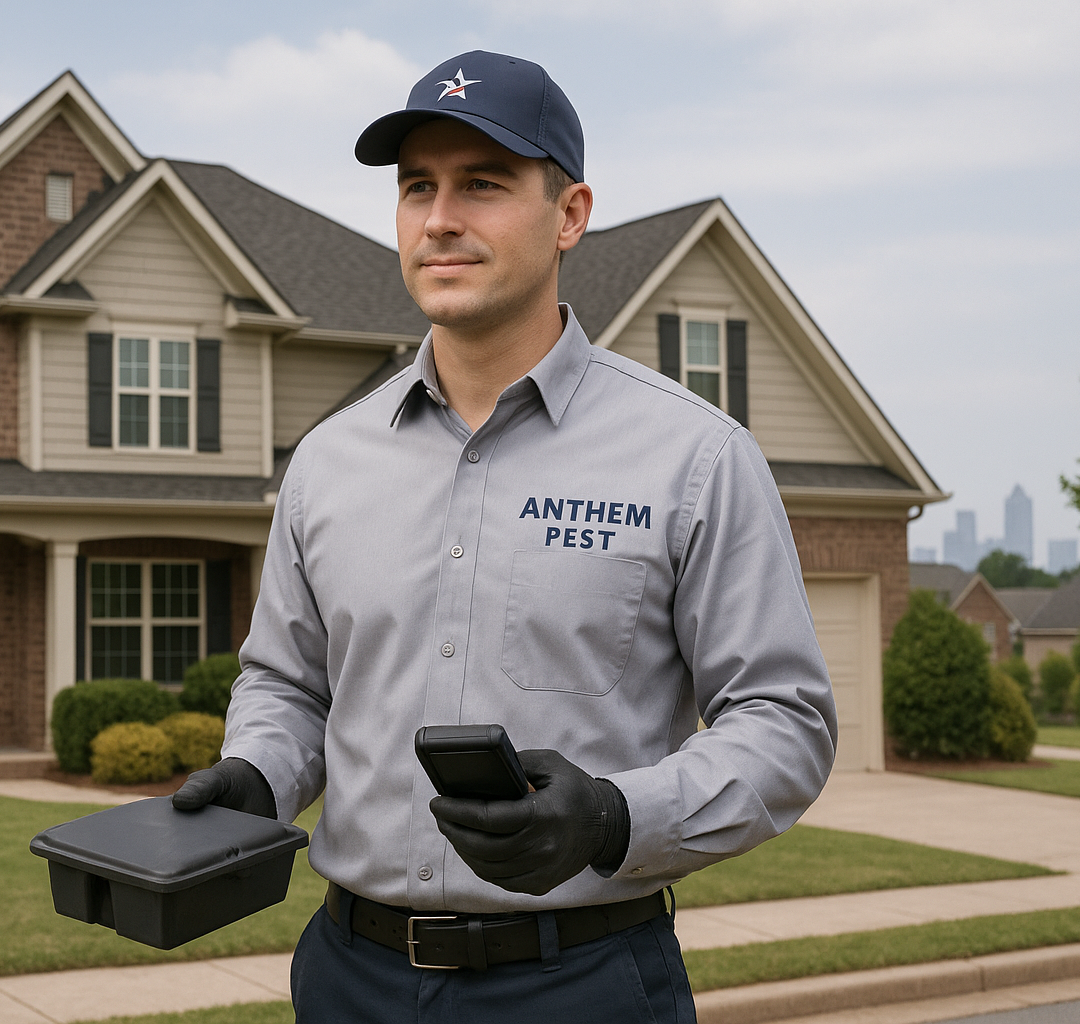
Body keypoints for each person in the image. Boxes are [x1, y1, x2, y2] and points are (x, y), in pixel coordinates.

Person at [173, 49, 837, 1023]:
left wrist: (614, 817)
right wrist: (258, 774)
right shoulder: (326, 460)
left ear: (570, 214)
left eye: (483, 184)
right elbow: (288, 683)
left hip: (585, 981)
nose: (440, 218)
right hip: (347, 978)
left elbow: (785, 721)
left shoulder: (694, 457)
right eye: (416, 188)